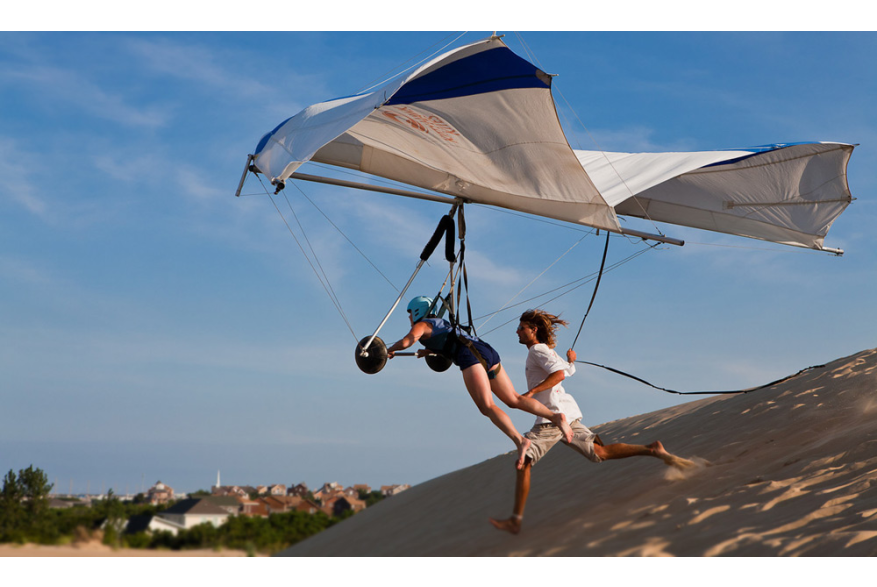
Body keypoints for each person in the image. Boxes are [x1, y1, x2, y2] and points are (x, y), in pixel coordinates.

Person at [489, 308, 693, 534]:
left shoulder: (537, 350)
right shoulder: (544, 350)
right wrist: (571, 362)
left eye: (521, 327)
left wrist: (530, 393)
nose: (517, 331)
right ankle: (652, 449)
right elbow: (566, 371)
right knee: (599, 453)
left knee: (523, 460)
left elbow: (558, 375)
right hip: (567, 412)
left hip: (553, 418)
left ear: (533, 330)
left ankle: (515, 520)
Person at [387, 296, 574, 469]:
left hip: (470, 357)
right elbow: (447, 340)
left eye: (410, 313)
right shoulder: (439, 323)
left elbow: (406, 342)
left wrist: (390, 349)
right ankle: (556, 417)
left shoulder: (422, 325)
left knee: (487, 406)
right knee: (513, 399)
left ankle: (520, 441)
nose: (410, 318)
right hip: (487, 351)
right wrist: (428, 350)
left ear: (417, 311)